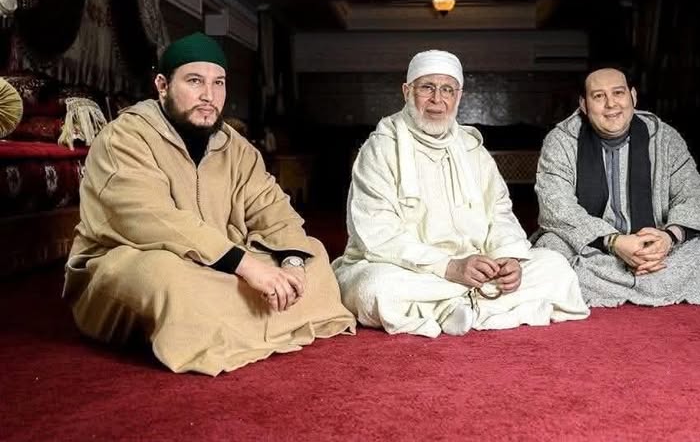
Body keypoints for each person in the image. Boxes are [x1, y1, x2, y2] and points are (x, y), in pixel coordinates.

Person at [63, 32, 355, 375]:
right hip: (137, 258)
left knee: (312, 253)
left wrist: (291, 263)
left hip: (218, 263)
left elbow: (273, 209)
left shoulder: (237, 148)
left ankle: (223, 321)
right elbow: (149, 219)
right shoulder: (123, 138)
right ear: (162, 85)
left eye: (219, 83)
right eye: (194, 81)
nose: (209, 95)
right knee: (166, 278)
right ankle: (262, 317)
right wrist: (247, 266)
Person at [332, 49, 589, 337]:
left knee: (555, 267)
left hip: (476, 264)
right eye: (427, 87)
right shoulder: (379, 149)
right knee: (373, 288)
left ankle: (447, 308)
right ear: (407, 91)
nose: (437, 99)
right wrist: (449, 267)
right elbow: (378, 233)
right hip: (408, 269)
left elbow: (499, 212)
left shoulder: (472, 148)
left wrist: (508, 258)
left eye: (447, 90)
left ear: (459, 96)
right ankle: (478, 306)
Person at [533, 67, 700, 307]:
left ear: (633, 96)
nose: (611, 104)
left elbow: (695, 196)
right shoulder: (561, 141)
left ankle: (604, 287)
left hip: (656, 247)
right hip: (596, 249)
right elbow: (556, 207)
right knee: (551, 249)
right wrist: (614, 242)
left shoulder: (664, 137)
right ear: (584, 105)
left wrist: (668, 238)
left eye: (618, 93)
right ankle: (657, 285)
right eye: (599, 96)